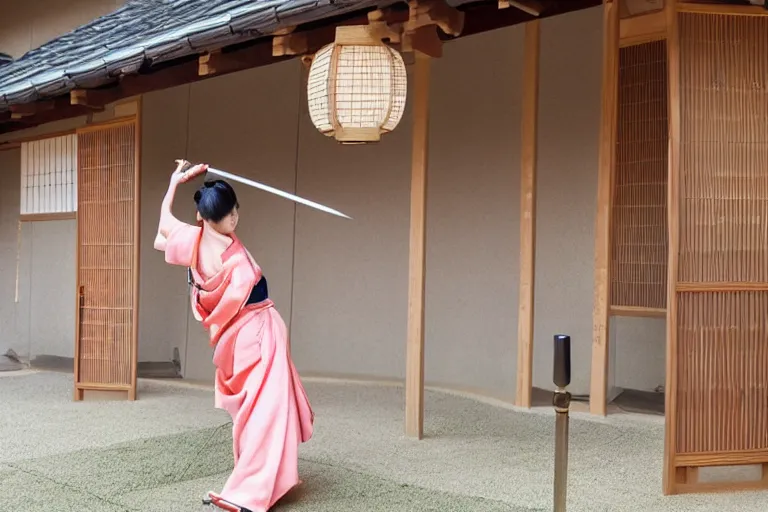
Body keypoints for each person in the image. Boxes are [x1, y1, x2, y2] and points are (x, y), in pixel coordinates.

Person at [154, 159, 314, 512]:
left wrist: (173, 182)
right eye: (227, 216)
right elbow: (242, 297)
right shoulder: (235, 262)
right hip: (258, 332)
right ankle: (251, 489)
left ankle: (260, 477)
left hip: (237, 337)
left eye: (234, 212)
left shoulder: (192, 239)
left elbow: (162, 226)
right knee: (267, 411)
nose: (233, 220)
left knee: (253, 411)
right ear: (207, 218)